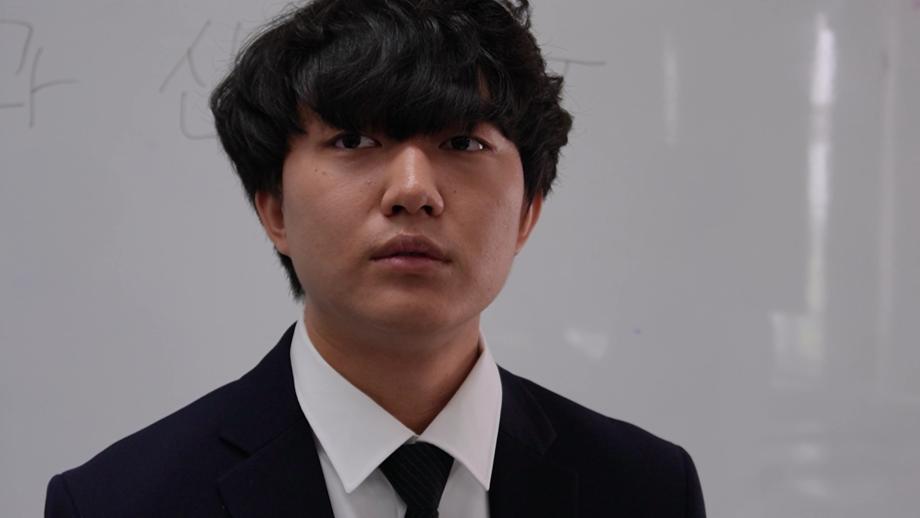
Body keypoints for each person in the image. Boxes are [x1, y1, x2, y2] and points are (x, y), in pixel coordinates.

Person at [45, 0, 706, 516]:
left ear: (528, 212)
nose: (413, 190)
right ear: (274, 210)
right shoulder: (116, 504)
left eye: (463, 144)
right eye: (354, 140)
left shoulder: (647, 491)